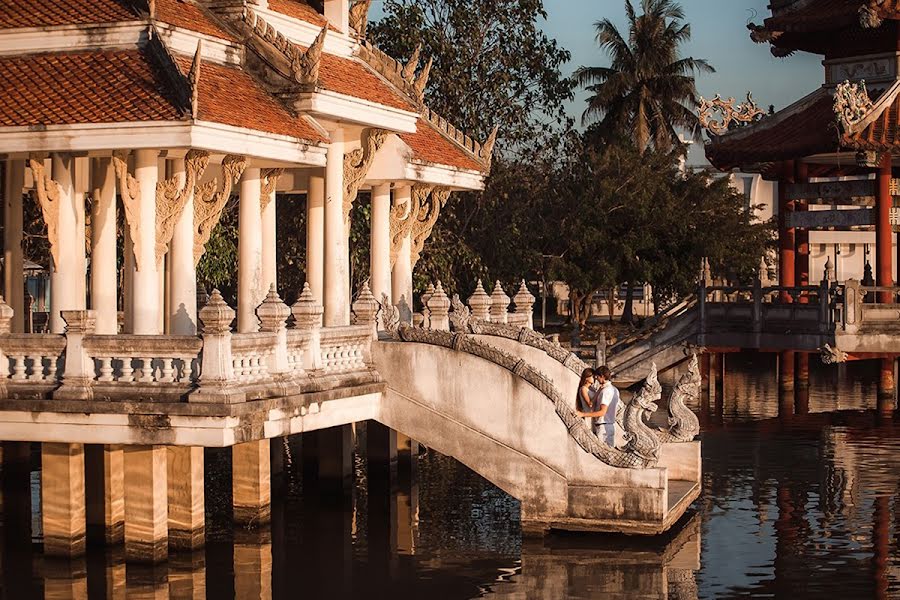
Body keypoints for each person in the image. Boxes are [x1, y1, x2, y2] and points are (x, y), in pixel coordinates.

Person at [575, 365, 619, 447]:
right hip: (609, 425)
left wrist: (582, 414)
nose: (596, 379)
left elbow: (602, 412)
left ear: (602, 376)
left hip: (603, 426)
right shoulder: (615, 390)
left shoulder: (605, 390)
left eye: (597, 377)